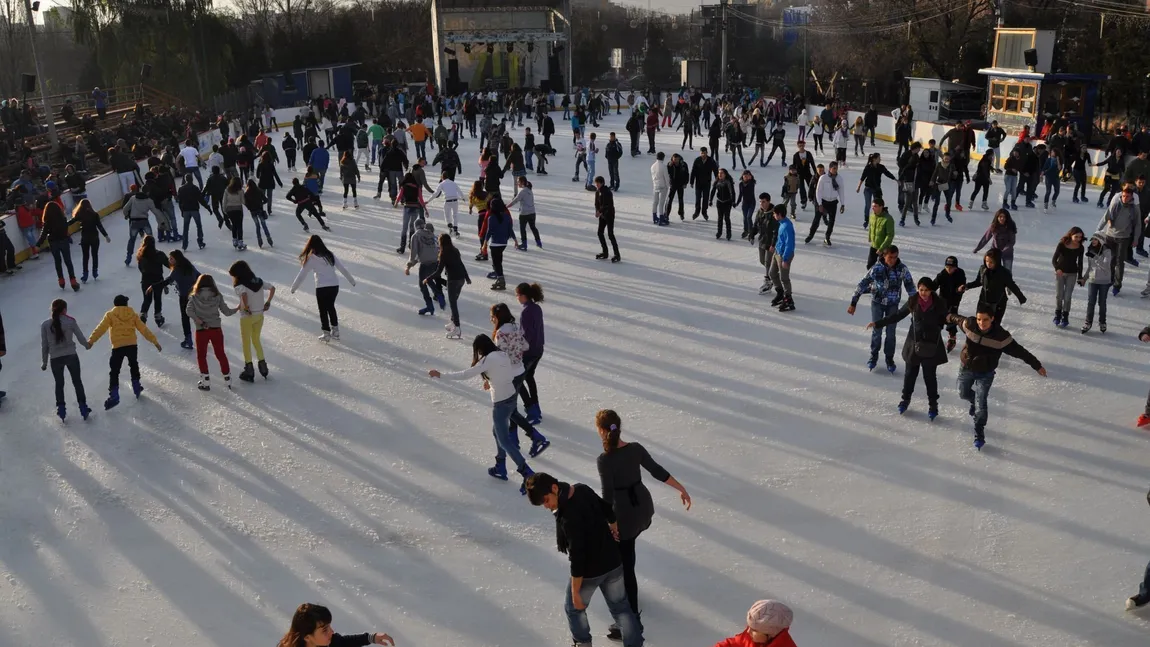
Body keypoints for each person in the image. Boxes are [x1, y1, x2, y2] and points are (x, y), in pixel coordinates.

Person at [595, 409, 691, 634]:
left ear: (600, 430)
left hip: (624, 514)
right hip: (642, 507)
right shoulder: (635, 449)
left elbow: (607, 496)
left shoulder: (604, 459)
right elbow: (656, 470)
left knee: (625, 567)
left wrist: (610, 523)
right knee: (627, 553)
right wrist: (681, 488)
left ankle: (631, 621)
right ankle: (630, 599)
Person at [524, 472, 645, 647]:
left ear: (554, 488)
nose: (546, 506)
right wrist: (613, 525)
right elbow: (607, 509)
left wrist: (575, 592)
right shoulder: (582, 490)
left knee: (574, 609)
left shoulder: (567, 517)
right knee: (621, 607)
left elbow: (577, 556)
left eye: (545, 500)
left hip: (590, 572)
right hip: (613, 562)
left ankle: (583, 644)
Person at [428, 335, 538, 493]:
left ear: (481, 349)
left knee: (505, 441)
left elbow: (466, 374)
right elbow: (507, 374)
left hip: (501, 404)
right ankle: (500, 465)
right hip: (511, 399)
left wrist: (441, 375)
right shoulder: (502, 354)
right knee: (497, 432)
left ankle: (527, 473)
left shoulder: (487, 360)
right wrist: (491, 382)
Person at [945, 304, 1046, 449]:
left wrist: (1037, 365)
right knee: (962, 393)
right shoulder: (970, 324)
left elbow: (1020, 351)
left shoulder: (1001, 337)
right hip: (966, 367)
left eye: (985, 320)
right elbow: (956, 318)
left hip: (985, 374)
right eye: (979, 319)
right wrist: (946, 316)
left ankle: (979, 432)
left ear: (992, 319)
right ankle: (973, 402)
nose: (981, 323)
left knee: (981, 404)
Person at [867, 277, 949, 418]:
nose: (923, 293)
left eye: (926, 290)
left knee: (929, 377)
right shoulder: (913, 301)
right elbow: (898, 315)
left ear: (931, 291)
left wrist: (943, 327)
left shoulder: (939, 303)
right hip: (914, 343)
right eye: (921, 289)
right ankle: (905, 400)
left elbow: (946, 319)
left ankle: (933, 405)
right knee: (910, 374)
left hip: (931, 344)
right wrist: (878, 323)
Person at [87, 294, 162, 409]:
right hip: (132, 345)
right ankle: (136, 386)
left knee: (114, 371)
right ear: (125, 304)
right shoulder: (132, 314)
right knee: (133, 365)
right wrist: (155, 341)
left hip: (117, 346)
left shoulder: (110, 315)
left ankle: (114, 394)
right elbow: (143, 329)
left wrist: (91, 341)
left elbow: (101, 328)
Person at [849, 245, 915, 372]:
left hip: (893, 304)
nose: (893, 260)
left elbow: (910, 287)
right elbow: (863, 284)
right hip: (877, 303)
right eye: (890, 257)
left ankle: (889, 358)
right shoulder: (876, 268)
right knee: (877, 331)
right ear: (884, 256)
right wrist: (853, 302)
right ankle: (873, 356)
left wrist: (915, 305)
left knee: (891, 333)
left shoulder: (902, 269)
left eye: (895, 257)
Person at [290, 235, 356, 342]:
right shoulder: (330, 255)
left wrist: (293, 288)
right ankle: (335, 331)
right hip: (334, 286)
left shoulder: (311, 259)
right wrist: (352, 281)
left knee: (323, 310)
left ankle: (326, 333)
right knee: (330, 307)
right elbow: (342, 268)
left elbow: (302, 275)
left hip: (322, 287)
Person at [41, 299, 92, 421]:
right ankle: (83, 407)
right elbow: (80, 337)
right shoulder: (70, 321)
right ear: (64, 309)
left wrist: (44, 362)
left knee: (59, 384)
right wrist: (87, 345)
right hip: (71, 356)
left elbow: (45, 345)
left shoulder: (45, 325)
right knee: (77, 382)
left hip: (55, 358)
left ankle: (62, 409)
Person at [186, 274, 237, 391]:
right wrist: (237, 308)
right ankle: (227, 378)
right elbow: (227, 312)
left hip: (201, 330)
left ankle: (206, 381)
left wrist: (199, 320)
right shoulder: (217, 296)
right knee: (220, 354)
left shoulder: (194, 297)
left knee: (201, 356)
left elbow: (188, 310)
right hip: (216, 329)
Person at [230, 260, 275, 382]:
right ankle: (263, 367)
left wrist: (245, 307)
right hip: (259, 315)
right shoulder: (258, 281)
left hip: (247, 317)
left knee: (246, 343)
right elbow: (272, 288)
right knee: (256, 339)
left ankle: (249, 370)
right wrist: (268, 302)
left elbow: (244, 294)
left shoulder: (239, 285)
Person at [276, 603, 395, 647]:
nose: (331, 632)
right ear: (307, 637)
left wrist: (372, 637)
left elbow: (343, 642)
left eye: (329, 627)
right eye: (324, 630)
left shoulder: (329, 642)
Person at [1097, 183, 1141, 295]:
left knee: (1119, 262)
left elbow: (1137, 225)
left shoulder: (1134, 209)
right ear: (1121, 195)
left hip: (1124, 238)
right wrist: (1098, 230)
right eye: (1124, 196)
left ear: (1132, 197)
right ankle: (1110, 280)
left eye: (1128, 197)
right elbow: (1106, 216)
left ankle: (1117, 285)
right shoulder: (1115, 204)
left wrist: (1136, 239)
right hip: (1110, 236)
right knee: (1110, 260)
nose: (1125, 198)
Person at [960, 248, 1025, 324]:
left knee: (994, 326)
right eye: (987, 261)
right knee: (981, 323)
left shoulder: (1004, 273)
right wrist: (966, 286)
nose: (988, 264)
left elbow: (1012, 285)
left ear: (997, 261)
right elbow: (978, 282)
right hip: (983, 301)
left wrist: (1021, 297)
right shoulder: (983, 269)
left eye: (991, 262)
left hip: (998, 303)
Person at [152, 250, 201, 350]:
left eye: (171, 258)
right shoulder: (188, 265)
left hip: (184, 297)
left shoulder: (177, 270)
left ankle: (188, 340)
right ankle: (205, 335)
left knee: (185, 318)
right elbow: (199, 276)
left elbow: (166, 281)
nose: (169, 260)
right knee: (197, 315)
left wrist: (153, 287)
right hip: (195, 295)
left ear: (176, 259)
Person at [426, 234, 470, 339]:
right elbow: (461, 264)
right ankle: (453, 322)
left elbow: (438, 272)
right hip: (461, 280)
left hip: (453, 281)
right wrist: (467, 277)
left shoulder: (443, 254)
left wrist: (427, 279)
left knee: (453, 304)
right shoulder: (455, 250)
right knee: (454, 301)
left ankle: (457, 328)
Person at [405, 219, 446, 315]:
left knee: (422, 284)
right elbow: (438, 248)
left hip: (426, 263)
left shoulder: (415, 236)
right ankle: (438, 295)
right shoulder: (432, 235)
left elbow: (414, 253)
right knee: (429, 280)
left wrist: (408, 266)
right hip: (435, 261)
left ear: (416, 227)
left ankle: (430, 305)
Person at [713, 600, 797, 647]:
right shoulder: (752, 637)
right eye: (749, 626)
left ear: (771, 634)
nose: (748, 631)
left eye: (754, 630)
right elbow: (734, 644)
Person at [36, 202, 80, 291]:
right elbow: (65, 227)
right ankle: (73, 281)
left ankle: (61, 281)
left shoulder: (47, 221)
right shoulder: (62, 219)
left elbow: (43, 233)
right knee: (68, 261)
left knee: (57, 262)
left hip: (53, 243)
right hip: (64, 241)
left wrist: (38, 245)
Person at [1080, 232, 1117, 334]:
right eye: (1092, 239)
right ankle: (1088, 322)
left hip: (1104, 281)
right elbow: (1090, 267)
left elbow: (1105, 265)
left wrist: (1095, 257)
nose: (1093, 241)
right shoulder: (1090, 250)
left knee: (1102, 302)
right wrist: (1084, 278)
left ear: (1101, 240)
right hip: (1093, 280)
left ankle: (1102, 322)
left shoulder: (1107, 251)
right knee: (1091, 302)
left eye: (1096, 239)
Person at [1052, 227, 1085, 328]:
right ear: (1071, 235)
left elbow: (1080, 263)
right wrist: (1057, 269)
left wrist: (1080, 276)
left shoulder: (1080, 247)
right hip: (1060, 273)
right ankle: (1058, 314)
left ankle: (1065, 315)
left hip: (1072, 273)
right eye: (1076, 237)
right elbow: (1054, 259)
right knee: (1059, 295)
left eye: (1080, 237)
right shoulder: (1062, 244)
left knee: (1067, 297)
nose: (1078, 239)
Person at [749, 195, 778, 294]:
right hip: (762, 241)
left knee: (767, 262)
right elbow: (756, 224)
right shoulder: (760, 212)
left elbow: (776, 231)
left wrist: (773, 244)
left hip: (770, 242)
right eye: (760, 201)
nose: (762, 204)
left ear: (769, 201)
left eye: (764, 202)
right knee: (763, 261)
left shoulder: (774, 214)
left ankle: (768, 282)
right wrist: (752, 234)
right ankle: (773, 275)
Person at [769, 204, 796, 311]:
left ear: (779, 214)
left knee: (784, 278)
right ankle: (780, 292)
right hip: (777, 252)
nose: (774, 216)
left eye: (775, 214)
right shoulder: (781, 223)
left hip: (784, 255)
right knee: (772, 273)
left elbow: (790, 244)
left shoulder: (787, 226)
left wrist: (785, 259)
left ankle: (788, 299)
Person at [508, 177, 541, 249]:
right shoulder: (530, 190)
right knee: (533, 227)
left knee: (522, 229)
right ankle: (538, 242)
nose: (517, 183)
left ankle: (524, 244)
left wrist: (506, 206)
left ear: (522, 182)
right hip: (532, 212)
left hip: (524, 213)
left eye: (518, 182)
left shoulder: (522, 192)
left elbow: (515, 200)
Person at [594, 176, 621, 263]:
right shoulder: (597, 192)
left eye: (597, 183)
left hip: (609, 215)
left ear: (601, 183)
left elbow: (608, 205)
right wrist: (597, 211)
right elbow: (596, 203)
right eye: (596, 183)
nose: (596, 185)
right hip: (602, 216)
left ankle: (617, 254)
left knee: (610, 234)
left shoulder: (607, 192)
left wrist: (600, 211)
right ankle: (605, 252)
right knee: (600, 233)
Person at [242, 179, 274, 248]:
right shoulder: (258, 191)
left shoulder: (246, 193)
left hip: (253, 211)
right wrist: (261, 204)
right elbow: (266, 200)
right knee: (264, 225)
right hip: (259, 210)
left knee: (257, 226)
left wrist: (249, 207)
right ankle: (269, 239)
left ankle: (259, 241)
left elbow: (245, 203)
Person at [866, 198, 895, 269]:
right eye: (872, 206)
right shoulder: (872, 216)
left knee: (884, 267)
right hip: (874, 246)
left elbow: (890, 235)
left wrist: (882, 248)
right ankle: (871, 279)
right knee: (870, 266)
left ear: (881, 207)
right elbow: (871, 226)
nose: (873, 208)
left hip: (884, 248)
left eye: (875, 206)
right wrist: (870, 237)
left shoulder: (888, 219)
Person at [690, 147, 718, 220]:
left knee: (705, 198)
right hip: (698, 183)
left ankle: (704, 212)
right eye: (702, 153)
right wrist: (691, 182)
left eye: (704, 153)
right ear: (700, 153)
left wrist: (717, 180)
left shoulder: (711, 160)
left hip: (707, 183)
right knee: (698, 198)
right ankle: (697, 212)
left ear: (707, 153)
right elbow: (693, 171)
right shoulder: (697, 160)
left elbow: (715, 171)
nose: (703, 154)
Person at [710, 168, 737, 241]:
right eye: (719, 173)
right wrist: (710, 200)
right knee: (720, 218)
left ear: (725, 174)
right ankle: (719, 232)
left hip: (727, 202)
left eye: (722, 173)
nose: (720, 174)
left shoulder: (728, 182)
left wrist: (733, 201)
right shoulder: (717, 181)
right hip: (719, 202)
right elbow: (713, 191)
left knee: (726, 218)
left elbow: (732, 192)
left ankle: (728, 233)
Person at [666, 153, 690, 221]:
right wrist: (669, 165)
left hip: (680, 184)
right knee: (670, 199)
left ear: (679, 159)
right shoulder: (670, 164)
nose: (675, 161)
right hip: (673, 184)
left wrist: (685, 183)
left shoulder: (683, 165)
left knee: (681, 199)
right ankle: (667, 214)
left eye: (677, 159)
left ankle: (681, 213)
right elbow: (666, 172)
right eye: (674, 159)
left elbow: (687, 174)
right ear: (672, 159)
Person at [651, 152, 670, 226]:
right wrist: (668, 186)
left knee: (655, 202)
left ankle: (654, 217)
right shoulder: (663, 166)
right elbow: (666, 177)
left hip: (655, 185)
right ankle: (661, 218)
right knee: (661, 203)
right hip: (663, 186)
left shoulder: (652, 166)